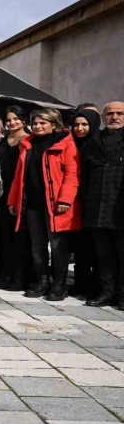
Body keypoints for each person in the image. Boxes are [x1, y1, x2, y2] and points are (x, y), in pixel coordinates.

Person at [8, 108, 81, 301]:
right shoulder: (27, 144)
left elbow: (72, 175)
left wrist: (65, 199)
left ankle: (59, 285)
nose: (38, 126)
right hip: (33, 204)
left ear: (54, 124)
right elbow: (18, 176)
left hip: (55, 204)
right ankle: (42, 281)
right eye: (35, 123)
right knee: (37, 245)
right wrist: (13, 200)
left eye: (43, 123)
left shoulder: (65, 143)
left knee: (57, 245)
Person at [82, 102, 124, 308]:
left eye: (120, 113)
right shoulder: (93, 140)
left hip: (120, 205)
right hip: (96, 206)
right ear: (103, 116)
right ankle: (107, 291)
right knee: (103, 253)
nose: (114, 117)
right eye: (110, 113)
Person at [0, 106, 31, 291]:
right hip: (3, 191)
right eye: (8, 120)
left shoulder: (30, 140)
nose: (12, 122)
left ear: (23, 119)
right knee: (5, 235)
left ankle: (20, 277)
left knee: (21, 237)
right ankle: (6, 274)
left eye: (16, 118)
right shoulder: (0, 142)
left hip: (23, 192)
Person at [68, 109, 100, 299]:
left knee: (96, 247)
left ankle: (96, 285)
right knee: (79, 246)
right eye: (76, 125)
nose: (79, 128)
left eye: (84, 124)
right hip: (75, 202)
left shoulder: (98, 144)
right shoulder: (70, 144)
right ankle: (80, 283)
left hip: (94, 202)